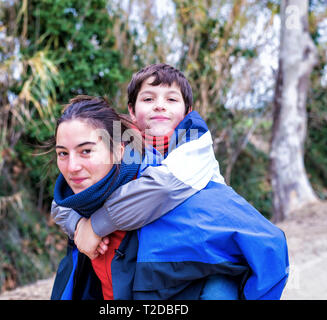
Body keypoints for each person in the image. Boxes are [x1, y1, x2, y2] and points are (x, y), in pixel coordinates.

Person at [51, 64, 289, 300]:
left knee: (220, 288)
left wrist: (94, 226)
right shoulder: (117, 146)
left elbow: (161, 188)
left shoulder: (194, 147)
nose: (160, 105)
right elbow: (68, 197)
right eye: (148, 98)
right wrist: (78, 225)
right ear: (132, 111)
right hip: (149, 265)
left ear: (188, 111)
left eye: (171, 99)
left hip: (197, 256)